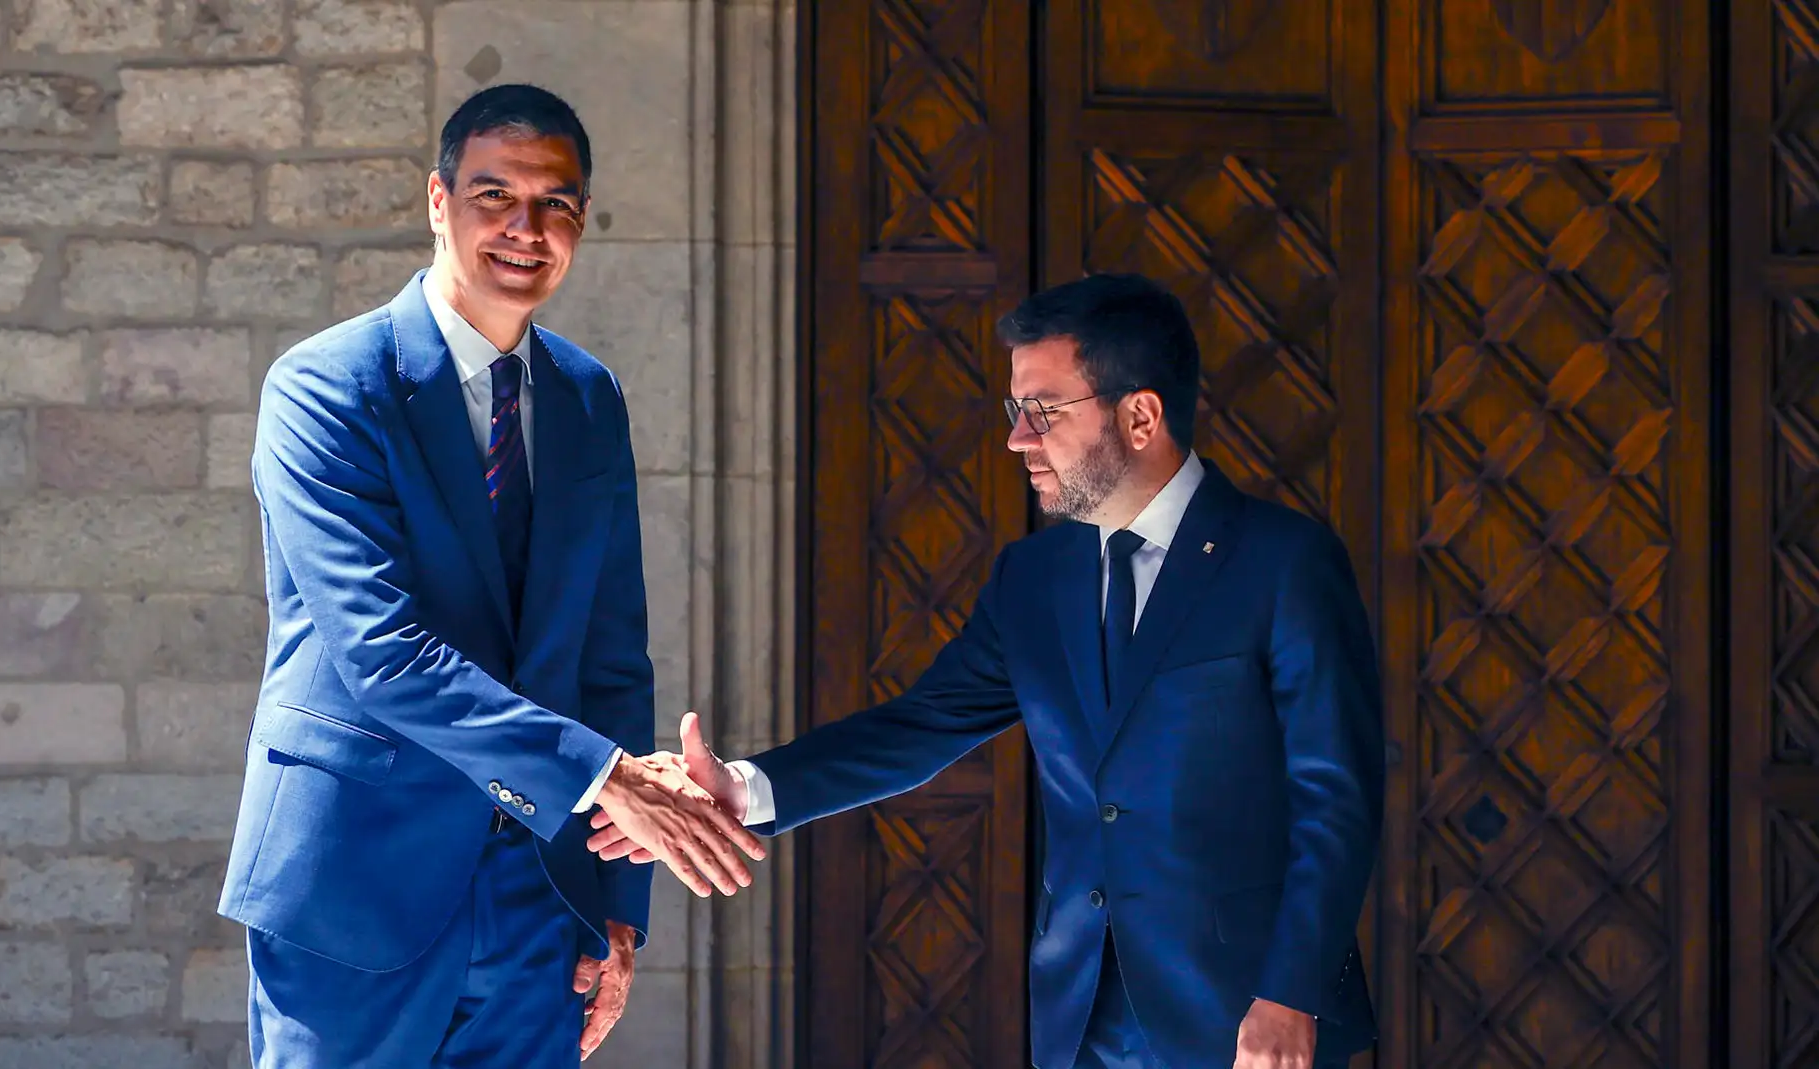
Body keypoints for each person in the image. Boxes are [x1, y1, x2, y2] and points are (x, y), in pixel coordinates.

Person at [591, 273, 1384, 1069]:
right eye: (1016, 410)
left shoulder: (1284, 563)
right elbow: (920, 726)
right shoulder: (1032, 579)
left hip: (1252, 1018)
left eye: (1043, 411)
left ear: (1141, 416)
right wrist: (746, 788)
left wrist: (1292, 995)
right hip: (1081, 1023)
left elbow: (1337, 798)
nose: (1017, 439)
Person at [219, 83, 766, 1069]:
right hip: (357, 881)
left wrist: (615, 903)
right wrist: (608, 777)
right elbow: (381, 652)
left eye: (555, 203)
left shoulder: (590, 398)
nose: (527, 228)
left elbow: (611, 656)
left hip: (540, 902)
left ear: (582, 221)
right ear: (438, 201)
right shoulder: (326, 387)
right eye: (494, 196)